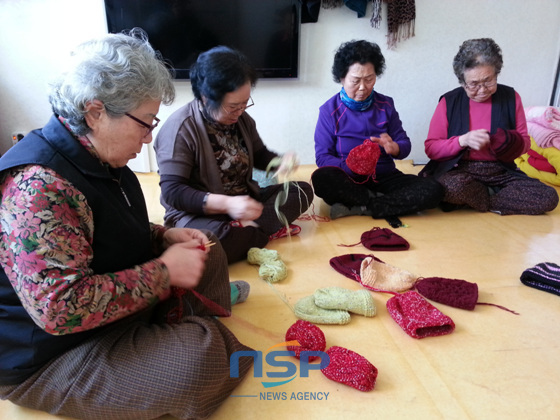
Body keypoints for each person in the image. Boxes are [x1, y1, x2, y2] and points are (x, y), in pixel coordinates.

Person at [0, 29, 253, 420]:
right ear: (96, 112)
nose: (150, 138)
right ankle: (180, 338)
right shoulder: (37, 188)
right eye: (145, 123)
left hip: (104, 313)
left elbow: (106, 228)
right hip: (51, 355)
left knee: (208, 248)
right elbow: (60, 309)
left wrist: (163, 235)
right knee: (196, 360)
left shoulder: (101, 157)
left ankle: (168, 334)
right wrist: (163, 273)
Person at [154, 46, 314, 264]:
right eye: (232, 106)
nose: (240, 111)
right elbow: (173, 192)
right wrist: (227, 205)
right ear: (205, 97)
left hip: (244, 203)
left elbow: (259, 154)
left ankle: (248, 232)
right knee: (212, 241)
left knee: (301, 191)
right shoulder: (180, 129)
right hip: (197, 214)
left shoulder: (242, 120)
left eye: (245, 104)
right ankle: (252, 232)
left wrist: (279, 162)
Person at [421, 38, 559, 215]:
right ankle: (492, 198)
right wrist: (462, 141)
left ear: (497, 73)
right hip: (460, 170)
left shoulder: (511, 97)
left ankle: (477, 199)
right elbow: (431, 149)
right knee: (449, 186)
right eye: (473, 84)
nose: (482, 89)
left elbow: (525, 143)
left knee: (548, 197)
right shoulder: (449, 101)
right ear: (462, 81)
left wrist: (508, 142)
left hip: (501, 171)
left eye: (488, 81)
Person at [312, 40, 444, 220]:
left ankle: (366, 206)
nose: (362, 87)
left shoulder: (386, 105)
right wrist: (351, 167)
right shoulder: (329, 110)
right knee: (322, 179)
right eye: (355, 80)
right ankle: (385, 204)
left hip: (385, 177)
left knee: (433, 189)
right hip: (350, 179)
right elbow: (323, 156)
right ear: (342, 78)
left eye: (369, 79)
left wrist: (394, 147)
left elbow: (404, 145)